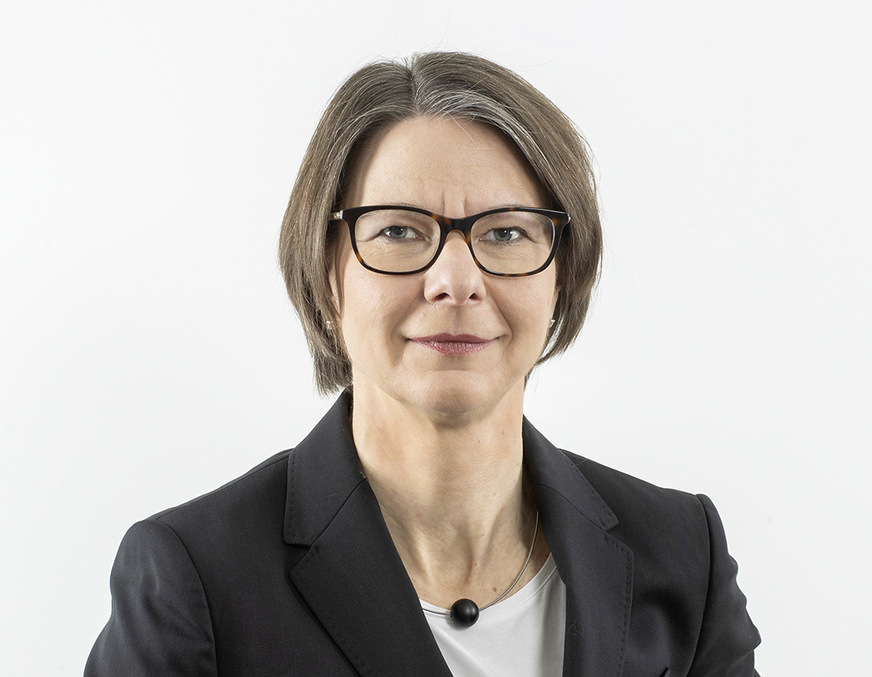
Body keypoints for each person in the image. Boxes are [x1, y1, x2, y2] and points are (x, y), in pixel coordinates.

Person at [85, 52, 760, 676]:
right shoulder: (195, 578)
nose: (455, 282)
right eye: (400, 231)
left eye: (506, 231)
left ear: (562, 276)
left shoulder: (682, 552)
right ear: (326, 273)